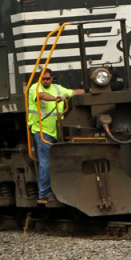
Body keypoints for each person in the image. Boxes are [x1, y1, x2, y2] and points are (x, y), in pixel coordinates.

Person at [27, 69, 85, 203]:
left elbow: (73, 92)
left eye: (47, 78)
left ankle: (62, 189)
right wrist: (55, 98)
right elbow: (41, 96)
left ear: (52, 78)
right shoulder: (34, 88)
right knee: (46, 161)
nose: (45, 81)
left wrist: (90, 90)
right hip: (41, 130)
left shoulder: (57, 88)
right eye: (43, 79)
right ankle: (44, 193)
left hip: (57, 130)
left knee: (58, 160)